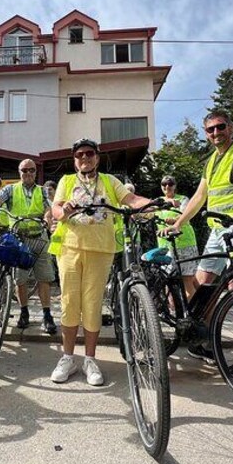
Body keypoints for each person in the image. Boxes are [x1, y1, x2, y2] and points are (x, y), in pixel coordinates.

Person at [160, 110, 233, 379]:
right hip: (217, 232)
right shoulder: (212, 162)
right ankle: (202, 339)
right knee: (204, 284)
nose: (216, 133)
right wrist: (179, 222)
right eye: (210, 130)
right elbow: (199, 196)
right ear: (206, 134)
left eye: (220, 127)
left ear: (231, 126)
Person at [49, 139, 152, 386]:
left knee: (92, 305)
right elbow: (56, 209)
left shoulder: (110, 181)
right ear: (75, 160)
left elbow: (131, 199)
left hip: (101, 250)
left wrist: (153, 205)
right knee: (70, 303)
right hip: (70, 248)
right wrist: (64, 211)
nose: (84, 158)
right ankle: (67, 358)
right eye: (79, 155)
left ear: (97, 157)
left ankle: (90, 360)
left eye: (89, 154)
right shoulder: (67, 181)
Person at [0, 158, 56, 334]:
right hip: (18, 240)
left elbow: (49, 207)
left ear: (36, 172)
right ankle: (24, 312)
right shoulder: (11, 189)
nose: (28, 173)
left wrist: (47, 218)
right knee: (20, 279)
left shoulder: (42, 190)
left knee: (44, 278)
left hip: (39, 237)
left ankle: (47, 315)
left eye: (31, 170)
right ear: (19, 172)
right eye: (24, 170)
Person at [155, 175, 198, 298]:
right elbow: (148, 214)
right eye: (164, 184)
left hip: (185, 244)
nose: (167, 186)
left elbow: (186, 214)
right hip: (165, 246)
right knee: (167, 282)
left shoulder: (183, 199)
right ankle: (174, 314)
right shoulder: (158, 200)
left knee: (187, 281)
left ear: (175, 186)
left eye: (170, 183)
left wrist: (175, 220)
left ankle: (193, 314)